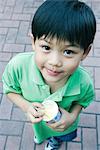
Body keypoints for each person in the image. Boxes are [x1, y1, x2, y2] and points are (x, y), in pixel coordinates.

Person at [2, 0, 96, 150]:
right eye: (46, 47)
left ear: (85, 52)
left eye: (68, 52)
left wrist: (72, 117)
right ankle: (43, 136)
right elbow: (10, 90)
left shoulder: (83, 81)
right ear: (33, 41)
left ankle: (55, 141)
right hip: (38, 124)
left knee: (59, 135)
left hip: (65, 125)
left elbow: (83, 100)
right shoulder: (18, 67)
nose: (55, 62)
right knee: (40, 132)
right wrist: (27, 107)